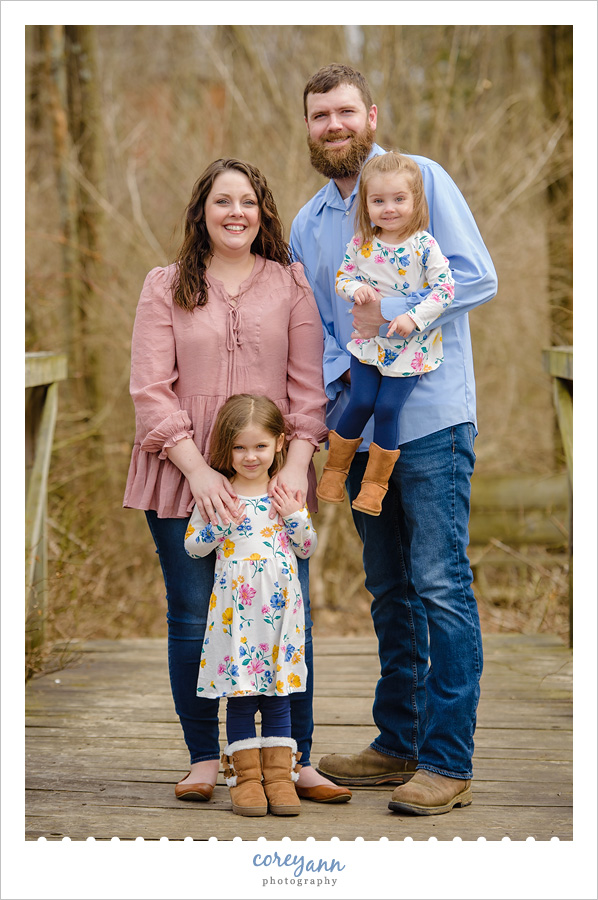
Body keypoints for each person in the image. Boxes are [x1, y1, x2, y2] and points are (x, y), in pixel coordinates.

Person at [290, 64, 498, 816]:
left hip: (433, 418)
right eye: (320, 115)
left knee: (440, 585)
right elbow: (313, 327)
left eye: (346, 110)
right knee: (388, 589)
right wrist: (332, 390)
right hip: (362, 421)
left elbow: (476, 276)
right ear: (309, 127)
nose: (334, 124)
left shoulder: (422, 180)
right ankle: (398, 740)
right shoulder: (309, 223)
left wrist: (389, 313)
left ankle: (448, 759)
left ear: (371, 115)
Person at [124, 157, 350, 805]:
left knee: (286, 617)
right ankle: (206, 758)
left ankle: (295, 758)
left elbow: (309, 389)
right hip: (180, 473)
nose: (235, 213)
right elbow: (149, 389)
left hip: (268, 479)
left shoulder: (291, 284)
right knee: (194, 618)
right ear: (202, 213)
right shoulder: (165, 286)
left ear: (263, 213)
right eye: (222, 202)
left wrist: (297, 466)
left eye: (247, 202)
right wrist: (196, 470)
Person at [184, 394, 321, 817]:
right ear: (227, 449)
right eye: (240, 447)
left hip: (280, 615)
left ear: (280, 443)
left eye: (260, 446)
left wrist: (296, 515)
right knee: (241, 697)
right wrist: (216, 526)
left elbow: (306, 548)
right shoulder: (220, 496)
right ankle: (246, 781)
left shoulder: (284, 494)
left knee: (279, 698)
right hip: (237, 620)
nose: (249, 456)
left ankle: (281, 779)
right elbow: (191, 547)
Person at [316, 151, 454, 516]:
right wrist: (354, 290)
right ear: (367, 204)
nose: (388, 208)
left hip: (410, 348)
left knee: (387, 408)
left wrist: (413, 317)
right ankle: (334, 472)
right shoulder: (362, 243)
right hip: (368, 344)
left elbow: (445, 290)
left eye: (398, 199)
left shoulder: (425, 246)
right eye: (378, 201)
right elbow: (343, 277)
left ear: (415, 201)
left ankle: (374, 488)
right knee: (360, 401)